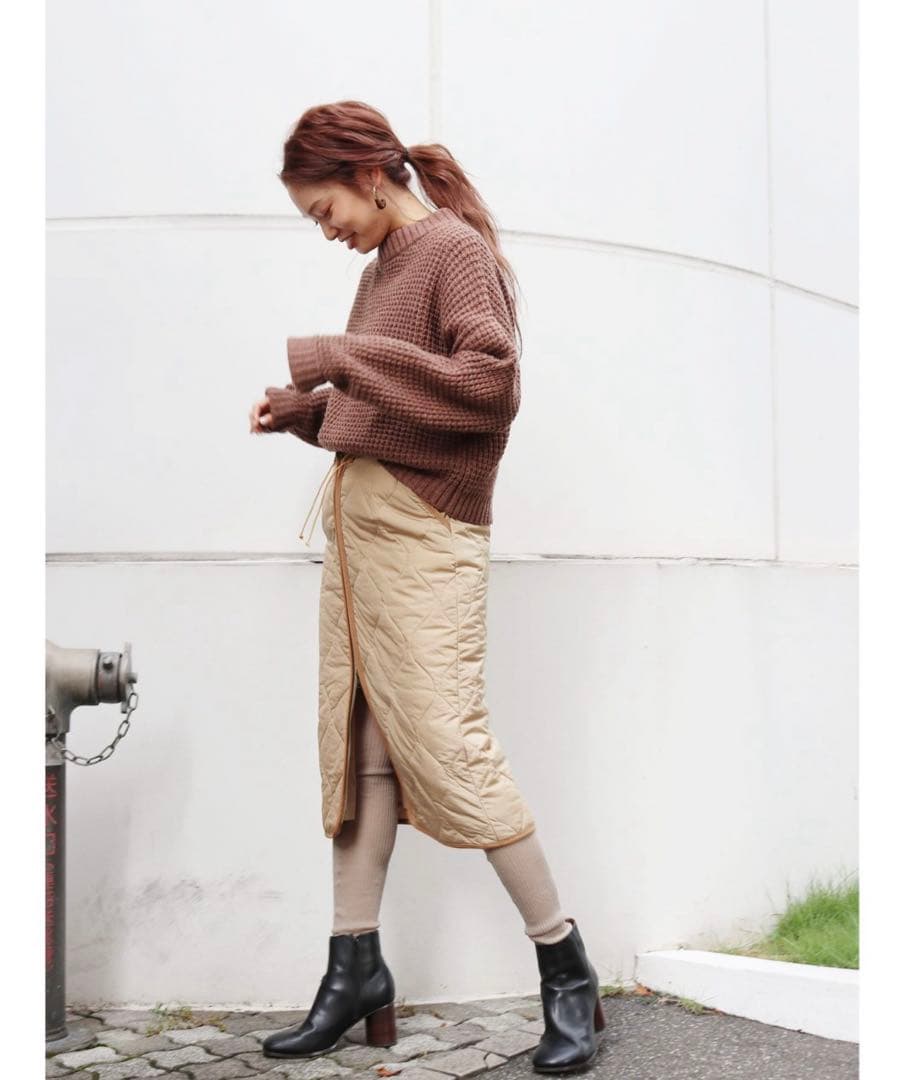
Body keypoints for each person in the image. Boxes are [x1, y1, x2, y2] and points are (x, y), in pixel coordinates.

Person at [248, 100, 604, 1074]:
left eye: (325, 209)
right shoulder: (380, 273)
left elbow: (487, 388)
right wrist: (306, 413)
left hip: (424, 539)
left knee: (451, 748)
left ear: (369, 175)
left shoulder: (451, 251)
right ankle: (353, 969)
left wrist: (336, 357)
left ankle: (565, 968)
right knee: (359, 744)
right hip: (362, 540)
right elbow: (399, 406)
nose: (325, 230)